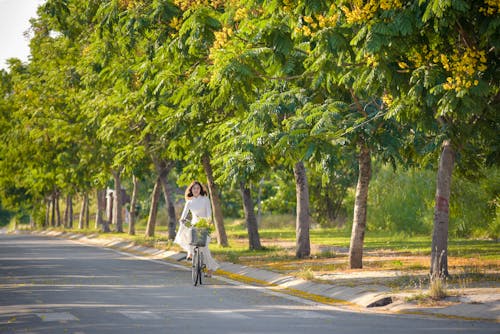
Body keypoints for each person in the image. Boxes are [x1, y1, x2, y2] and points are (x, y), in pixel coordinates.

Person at [174, 181, 219, 277]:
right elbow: (184, 214)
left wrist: (208, 222)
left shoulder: (205, 199)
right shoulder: (189, 201)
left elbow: (209, 213)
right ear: (191, 190)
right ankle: (190, 253)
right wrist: (182, 219)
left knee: (205, 248)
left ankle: (210, 269)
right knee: (189, 233)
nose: (196, 190)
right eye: (194, 188)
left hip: (204, 225)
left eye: (198, 188)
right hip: (194, 224)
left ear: (201, 189)